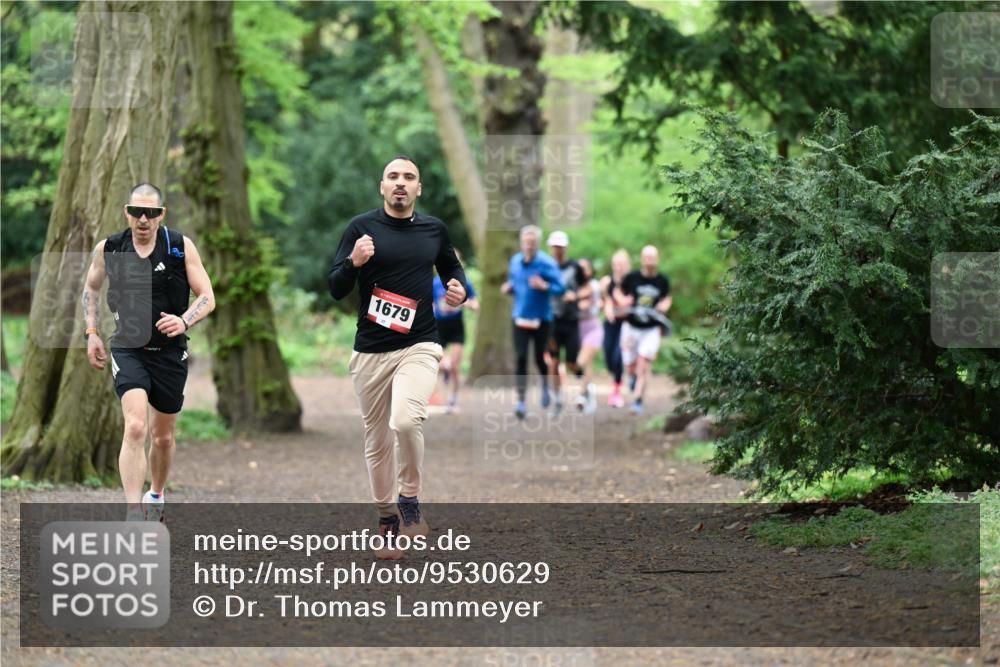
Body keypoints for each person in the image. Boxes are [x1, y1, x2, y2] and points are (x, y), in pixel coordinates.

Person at [328, 156, 467, 560]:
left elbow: (455, 276)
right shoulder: (361, 229)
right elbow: (336, 287)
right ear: (382, 187)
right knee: (376, 440)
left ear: (418, 189)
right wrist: (353, 262)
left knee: (406, 419)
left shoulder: (433, 230)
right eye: (394, 177)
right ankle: (387, 518)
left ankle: (409, 500)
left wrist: (460, 292)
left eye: (409, 177)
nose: (401, 183)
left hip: (419, 344)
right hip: (371, 349)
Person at [83, 182, 216, 522]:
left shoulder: (179, 247)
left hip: (170, 353)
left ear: (162, 215)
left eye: (152, 212)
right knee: (137, 426)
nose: (144, 219)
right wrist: (92, 333)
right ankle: (131, 512)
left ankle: (155, 493)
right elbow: (92, 288)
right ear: (127, 212)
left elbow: (207, 296)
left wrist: (184, 321)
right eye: (138, 212)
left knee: (163, 437)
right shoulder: (110, 248)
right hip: (129, 348)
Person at [501, 225, 565, 420]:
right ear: (522, 243)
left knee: (539, 358)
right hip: (519, 316)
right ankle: (521, 402)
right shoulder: (515, 261)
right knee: (520, 358)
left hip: (542, 319)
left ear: (538, 244)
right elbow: (515, 282)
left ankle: (546, 386)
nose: (529, 246)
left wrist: (544, 285)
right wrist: (509, 288)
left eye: (533, 243)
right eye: (526, 242)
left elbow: (561, 288)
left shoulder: (547, 263)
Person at [616, 245, 671, 414]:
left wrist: (664, 305)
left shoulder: (662, 280)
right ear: (641, 259)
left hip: (651, 329)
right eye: (646, 257)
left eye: (652, 257)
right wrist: (623, 300)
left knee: (643, 366)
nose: (649, 260)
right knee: (630, 366)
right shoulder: (631, 277)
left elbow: (667, 298)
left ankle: (638, 400)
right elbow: (617, 291)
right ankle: (632, 378)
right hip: (631, 327)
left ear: (657, 259)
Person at [545, 230, 587, 415]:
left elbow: (588, 289)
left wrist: (575, 295)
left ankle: (583, 379)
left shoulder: (575, 267)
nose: (558, 250)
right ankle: (558, 400)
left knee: (571, 362)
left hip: (570, 321)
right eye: (555, 246)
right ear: (550, 247)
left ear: (565, 247)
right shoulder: (545, 267)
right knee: (554, 361)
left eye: (560, 247)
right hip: (551, 320)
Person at [432, 252, 479, 414]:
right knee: (442, 363)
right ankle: (442, 395)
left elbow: (475, 305)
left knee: (454, 366)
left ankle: (453, 400)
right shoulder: (435, 283)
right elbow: (428, 303)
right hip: (439, 326)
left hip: (456, 326)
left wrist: (464, 303)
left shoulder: (465, 283)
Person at [600, 249, 631, 408]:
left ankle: (616, 392)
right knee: (608, 357)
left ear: (627, 265)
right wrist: (607, 307)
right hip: (611, 323)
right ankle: (619, 377)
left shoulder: (632, 281)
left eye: (621, 264)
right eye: (615, 264)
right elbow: (605, 300)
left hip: (626, 324)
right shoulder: (606, 282)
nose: (618, 267)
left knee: (618, 357)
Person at [573, 258, 602, 414]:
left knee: (580, 361)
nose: (582, 272)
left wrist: (570, 299)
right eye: (580, 268)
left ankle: (581, 395)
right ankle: (588, 392)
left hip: (593, 328)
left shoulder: (594, 286)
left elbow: (584, 300)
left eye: (585, 268)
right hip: (577, 329)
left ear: (590, 271)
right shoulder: (573, 286)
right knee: (586, 364)